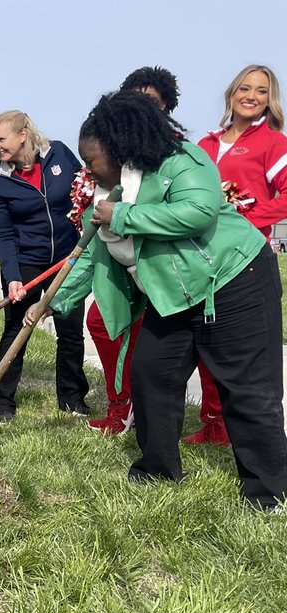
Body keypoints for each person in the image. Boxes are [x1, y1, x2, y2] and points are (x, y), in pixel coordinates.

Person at [29, 89, 287, 512]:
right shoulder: (108, 195)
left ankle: (268, 492)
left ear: (118, 150)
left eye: (92, 160)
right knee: (151, 375)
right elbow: (92, 254)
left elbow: (199, 211)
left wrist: (125, 216)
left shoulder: (178, 160)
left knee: (247, 390)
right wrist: (51, 303)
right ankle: (158, 469)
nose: (88, 170)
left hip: (233, 278)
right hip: (173, 297)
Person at [187, 64, 287, 447]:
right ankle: (214, 425)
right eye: (245, 88)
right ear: (231, 94)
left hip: (245, 263)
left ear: (270, 100)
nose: (252, 96)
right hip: (201, 261)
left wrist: (247, 220)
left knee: (241, 353)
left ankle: (247, 434)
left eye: (262, 91)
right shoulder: (206, 146)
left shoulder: (273, 144)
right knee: (205, 342)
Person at [82, 66, 182, 434]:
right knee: (99, 320)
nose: (145, 107)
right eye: (137, 99)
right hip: (123, 265)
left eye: (153, 101)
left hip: (164, 266)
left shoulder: (173, 154)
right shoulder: (112, 157)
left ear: (166, 107)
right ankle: (121, 405)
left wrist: (124, 216)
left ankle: (211, 419)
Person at [0, 110, 90, 422]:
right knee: (18, 329)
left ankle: (72, 400)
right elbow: (2, 234)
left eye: (1, 139)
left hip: (67, 261)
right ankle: (2, 404)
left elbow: (82, 192)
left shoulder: (59, 155)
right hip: (27, 263)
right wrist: (13, 276)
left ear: (23, 135)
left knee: (70, 331)